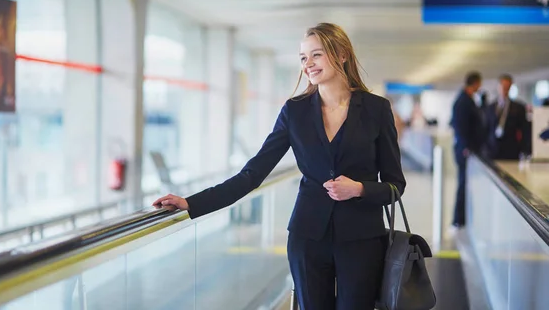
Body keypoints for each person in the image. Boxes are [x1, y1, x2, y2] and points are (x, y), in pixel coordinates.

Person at [153, 23, 406, 310]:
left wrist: (359, 189)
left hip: (362, 239)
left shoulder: (376, 109)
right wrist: (191, 202)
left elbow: (396, 185)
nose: (308, 64)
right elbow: (252, 173)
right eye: (302, 57)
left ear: (343, 54)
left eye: (316, 55)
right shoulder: (294, 112)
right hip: (308, 238)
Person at [450, 71, 484, 228]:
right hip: (464, 150)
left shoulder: (467, 100)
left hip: (466, 149)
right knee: (463, 183)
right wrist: (465, 147)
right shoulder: (463, 101)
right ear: (475, 83)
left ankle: (462, 217)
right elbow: (460, 126)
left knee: (465, 183)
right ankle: (459, 218)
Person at [484, 74, 528, 160]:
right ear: (498, 87)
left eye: (508, 87)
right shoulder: (490, 108)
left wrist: (524, 148)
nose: (505, 89)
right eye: (503, 86)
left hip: (511, 149)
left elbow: (524, 130)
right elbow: (486, 128)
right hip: (492, 149)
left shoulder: (519, 108)